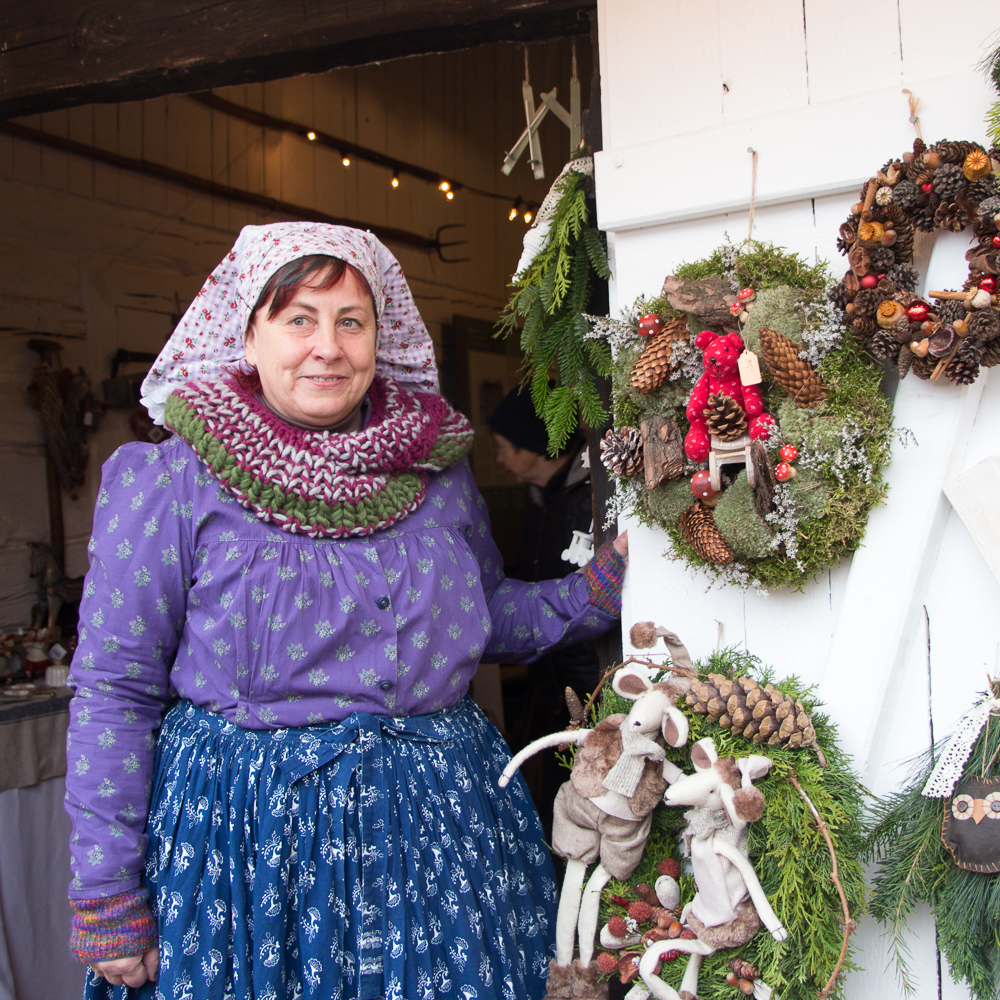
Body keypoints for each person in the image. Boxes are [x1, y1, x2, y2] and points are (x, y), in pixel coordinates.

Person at [63, 223, 628, 1000]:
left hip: (440, 841)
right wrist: (106, 894)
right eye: (298, 318)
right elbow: (114, 692)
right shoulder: (171, 483)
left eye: (350, 320)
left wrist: (599, 589)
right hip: (251, 853)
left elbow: (483, 617)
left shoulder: (436, 472)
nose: (326, 346)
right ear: (249, 335)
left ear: (379, 334)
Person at [488, 391, 604, 841]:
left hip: (595, 690)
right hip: (557, 694)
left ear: (529, 442)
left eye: (503, 445)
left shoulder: (591, 497)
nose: (497, 459)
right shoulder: (543, 500)